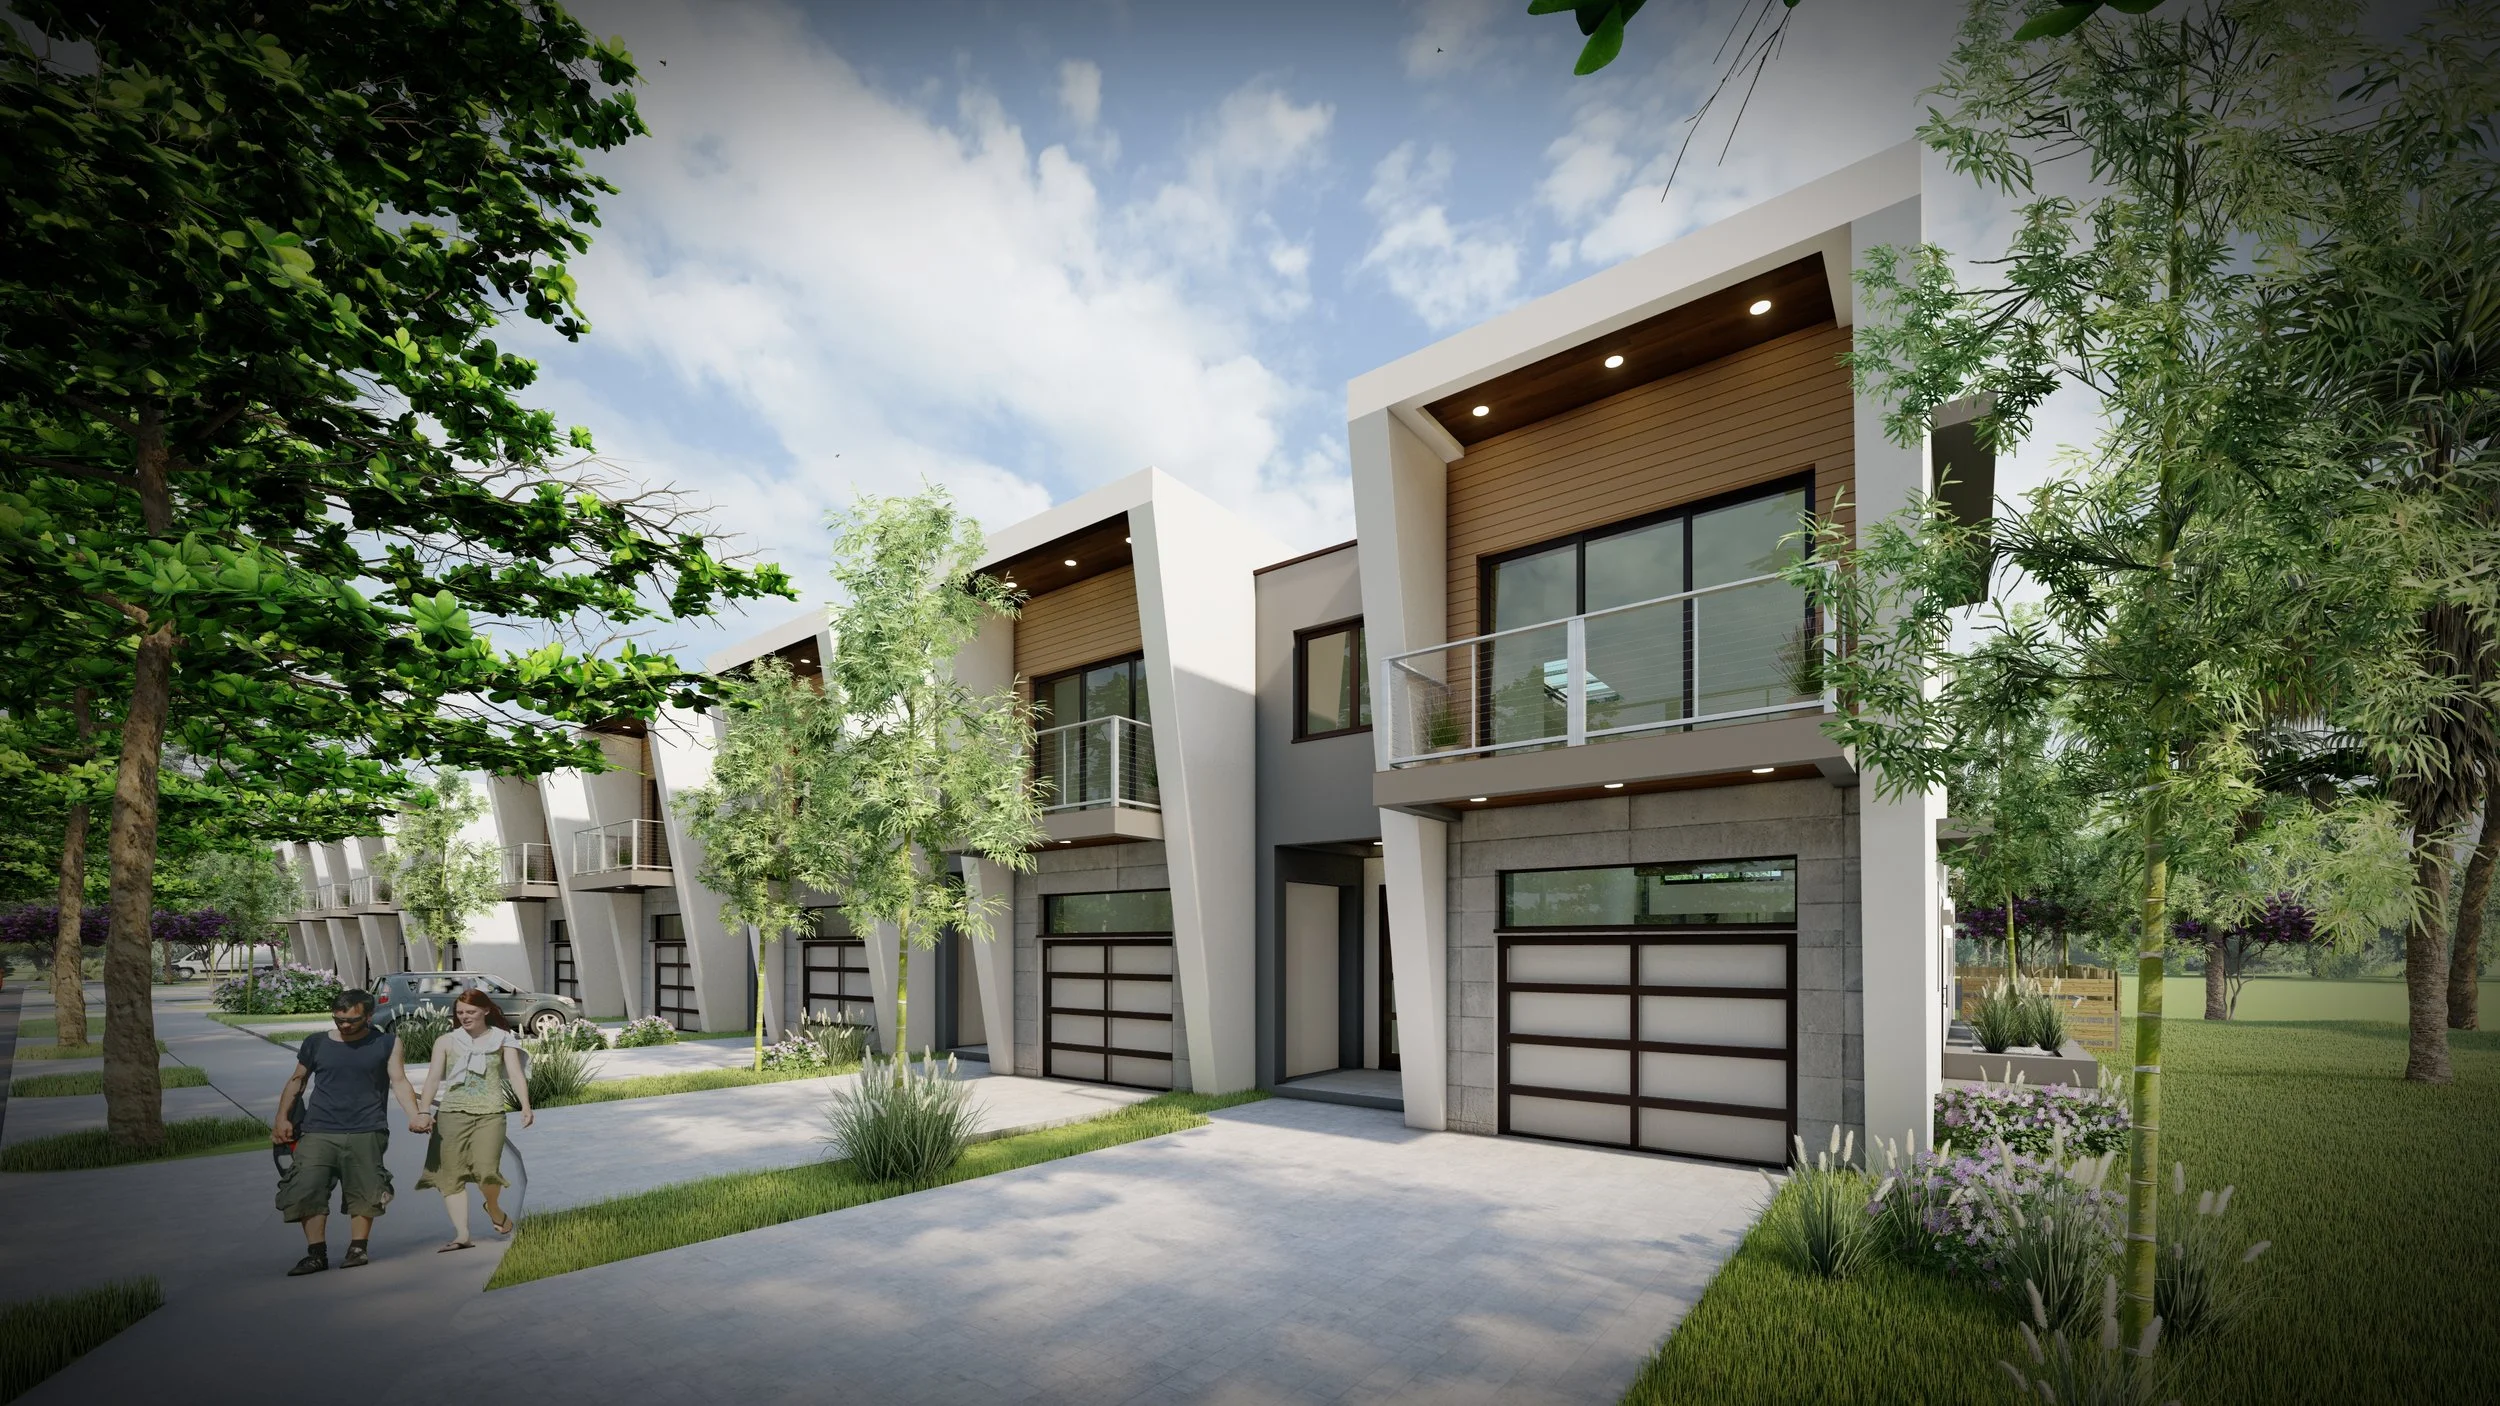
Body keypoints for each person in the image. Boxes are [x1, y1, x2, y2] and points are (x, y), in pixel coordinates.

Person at [272, 988, 422, 1276]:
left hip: (367, 1128)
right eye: (338, 1019)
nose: (343, 1025)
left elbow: (400, 1082)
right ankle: (316, 1254)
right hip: (318, 1129)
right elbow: (297, 1080)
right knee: (305, 1187)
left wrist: (415, 1115)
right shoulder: (316, 1043)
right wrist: (282, 1118)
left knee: (366, 1189)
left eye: (351, 1020)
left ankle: (358, 1248)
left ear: (368, 1016)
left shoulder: (387, 1042)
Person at [411, 987, 534, 1249]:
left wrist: (525, 1105)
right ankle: (462, 1235)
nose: (464, 1017)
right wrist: (423, 1111)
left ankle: (493, 1207)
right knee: (451, 1175)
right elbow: (433, 1078)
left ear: (486, 1010)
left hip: (490, 1113)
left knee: (486, 1171)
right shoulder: (445, 1041)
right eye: (460, 1012)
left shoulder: (502, 1039)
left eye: (470, 1012)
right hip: (451, 1113)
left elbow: (515, 1074)